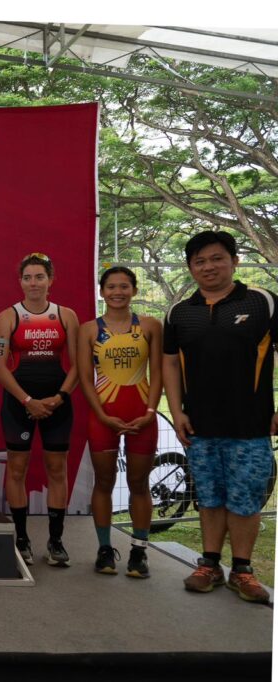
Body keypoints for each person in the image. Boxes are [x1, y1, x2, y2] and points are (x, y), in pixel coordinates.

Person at [163, 231, 277, 604]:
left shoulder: (263, 302)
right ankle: (209, 565)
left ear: (234, 261)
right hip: (200, 426)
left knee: (245, 499)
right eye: (200, 261)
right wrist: (176, 411)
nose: (208, 267)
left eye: (216, 258)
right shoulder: (180, 312)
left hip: (251, 426)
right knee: (209, 498)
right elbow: (169, 364)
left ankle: (242, 570)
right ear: (190, 267)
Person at [0, 253, 79, 567]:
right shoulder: (7, 317)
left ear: (50, 280)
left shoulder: (66, 315)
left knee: (57, 470)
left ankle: (56, 542)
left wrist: (59, 397)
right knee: (17, 470)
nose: (33, 283)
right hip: (19, 404)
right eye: (27, 277)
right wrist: (28, 400)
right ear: (20, 281)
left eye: (39, 277)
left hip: (57, 403)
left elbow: (78, 365)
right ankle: (22, 539)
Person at [77, 267, 162, 577]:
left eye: (124, 286)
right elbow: (85, 378)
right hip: (103, 417)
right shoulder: (88, 329)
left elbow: (158, 373)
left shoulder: (151, 326)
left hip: (142, 416)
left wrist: (150, 412)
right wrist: (102, 415)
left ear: (134, 290)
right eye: (111, 287)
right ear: (102, 292)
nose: (117, 292)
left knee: (139, 484)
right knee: (104, 482)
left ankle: (139, 552)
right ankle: (104, 550)